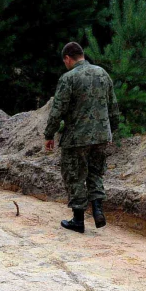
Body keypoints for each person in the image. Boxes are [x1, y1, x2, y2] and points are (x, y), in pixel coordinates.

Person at [44, 42, 120, 234]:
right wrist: (111, 131)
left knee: (75, 175)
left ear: (68, 58)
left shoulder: (68, 78)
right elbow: (113, 107)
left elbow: (57, 110)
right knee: (95, 172)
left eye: (65, 62)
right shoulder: (103, 74)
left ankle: (78, 220)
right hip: (102, 135)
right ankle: (97, 210)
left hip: (77, 137)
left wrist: (49, 134)